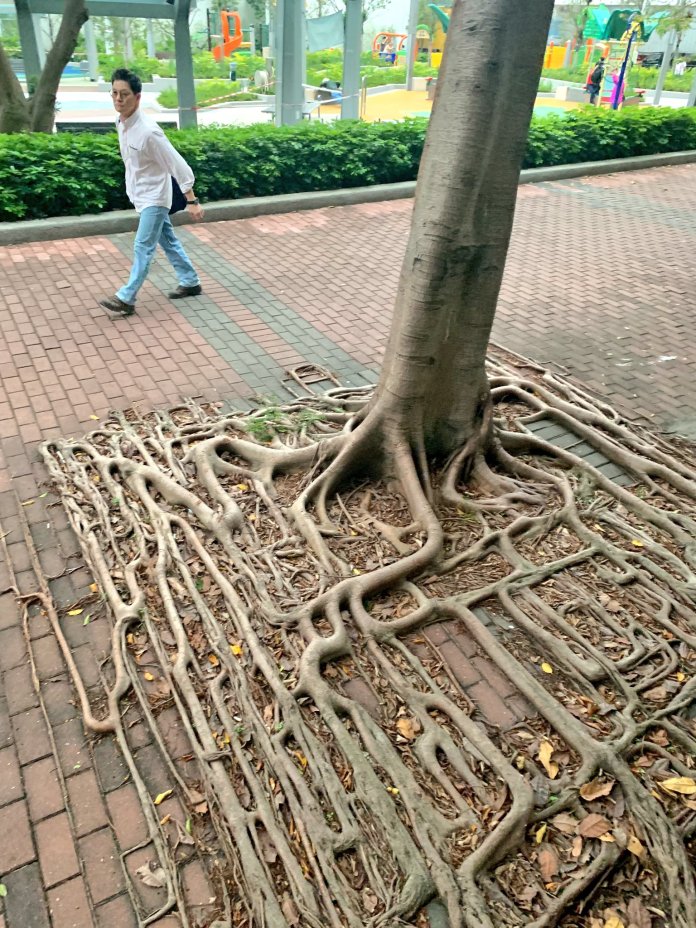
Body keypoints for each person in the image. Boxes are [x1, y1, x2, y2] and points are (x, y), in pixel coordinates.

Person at [99, 68, 204, 318]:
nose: (118, 99)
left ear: (137, 97)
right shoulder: (121, 123)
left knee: (143, 246)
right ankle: (190, 281)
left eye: (124, 94)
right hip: (140, 193)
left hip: (155, 198)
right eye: (114, 93)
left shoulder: (149, 131)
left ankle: (127, 297)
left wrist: (193, 200)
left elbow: (179, 166)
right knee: (167, 240)